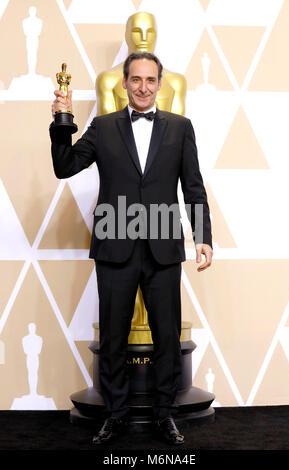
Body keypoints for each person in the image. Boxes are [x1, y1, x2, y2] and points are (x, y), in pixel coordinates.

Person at [50, 51, 213, 446]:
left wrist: (203, 236)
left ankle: (165, 416)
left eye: (150, 80)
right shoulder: (102, 127)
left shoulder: (180, 127)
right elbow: (65, 165)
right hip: (115, 247)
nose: (143, 87)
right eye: (136, 79)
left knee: (166, 340)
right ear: (124, 83)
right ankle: (115, 416)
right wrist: (62, 121)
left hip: (163, 247)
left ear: (160, 84)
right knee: (114, 341)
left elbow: (193, 186)